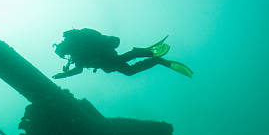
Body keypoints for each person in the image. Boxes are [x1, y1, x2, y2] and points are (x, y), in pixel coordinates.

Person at [52, 28, 193, 79]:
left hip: (105, 56)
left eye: (64, 55)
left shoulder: (79, 46)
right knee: (129, 71)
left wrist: (65, 74)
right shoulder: (76, 53)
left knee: (120, 62)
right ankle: (155, 59)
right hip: (105, 62)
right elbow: (79, 69)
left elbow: (79, 68)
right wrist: (64, 74)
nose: (66, 57)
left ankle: (144, 54)